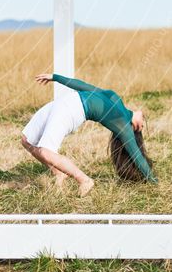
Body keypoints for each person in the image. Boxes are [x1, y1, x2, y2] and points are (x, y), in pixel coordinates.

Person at [20, 72, 157, 196]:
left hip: (71, 110)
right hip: (65, 101)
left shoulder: (124, 126)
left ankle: (84, 180)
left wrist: (154, 182)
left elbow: (138, 157)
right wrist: (55, 77)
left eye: (141, 127)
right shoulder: (116, 100)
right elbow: (83, 85)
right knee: (26, 140)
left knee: (45, 151)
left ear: (135, 129)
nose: (143, 124)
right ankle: (59, 173)